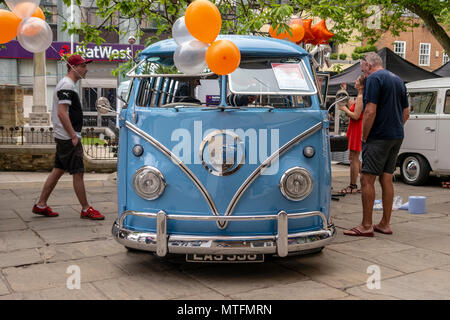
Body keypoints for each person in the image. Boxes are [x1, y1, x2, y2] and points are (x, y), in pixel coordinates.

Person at [344, 52, 409, 237]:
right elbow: (406, 113)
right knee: (386, 178)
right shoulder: (398, 80)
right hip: (396, 135)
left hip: (378, 136)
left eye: (362, 67)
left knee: (366, 179)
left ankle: (366, 225)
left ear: (369, 65)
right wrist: (394, 129)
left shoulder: (373, 79)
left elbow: (370, 111)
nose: (362, 71)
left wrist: (365, 136)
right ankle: (385, 223)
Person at [32, 55, 105, 220]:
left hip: (63, 136)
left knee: (58, 170)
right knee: (78, 172)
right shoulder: (67, 85)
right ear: (74, 68)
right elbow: (62, 112)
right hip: (67, 136)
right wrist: (73, 135)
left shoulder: (68, 85)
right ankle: (86, 209)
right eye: (83, 66)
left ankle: (41, 204)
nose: (86, 69)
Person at [339, 75, 366, 194]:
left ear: (361, 85)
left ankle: (353, 185)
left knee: (354, 158)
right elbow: (352, 106)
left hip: (357, 128)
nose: (354, 82)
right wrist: (345, 92)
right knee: (353, 157)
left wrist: (343, 109)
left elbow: (355, 115)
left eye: (356, 80)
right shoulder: (359, 97)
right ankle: (365, 182)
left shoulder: (361, 97)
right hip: (355, 128)